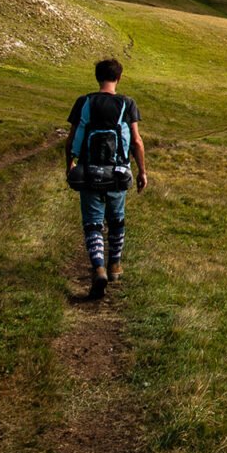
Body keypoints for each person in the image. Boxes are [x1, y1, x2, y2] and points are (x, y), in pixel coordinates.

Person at [65, 57, 148, 298]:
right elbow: (136, 141)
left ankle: (98, 266)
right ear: (118, 78)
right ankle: (115, 266)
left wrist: (70, 165)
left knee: (92, 223)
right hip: (118, 173)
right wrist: (142, 171)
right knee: (116, 220)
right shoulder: (127, 103)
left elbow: (71, 140)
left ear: (97, 77)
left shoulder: (84, 102)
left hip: (89, 171)